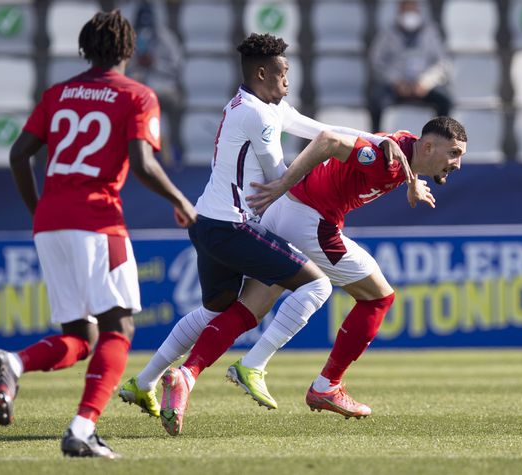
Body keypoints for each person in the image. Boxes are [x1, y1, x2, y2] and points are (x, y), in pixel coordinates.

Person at [117, 32, 407, 435]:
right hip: (232, 226)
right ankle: (252, 366)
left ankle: (144, 381)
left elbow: (316, 127)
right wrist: (306, 176)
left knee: (215, 312)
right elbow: (278, 177)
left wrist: (381, 140)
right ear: (261, 72)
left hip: (207, 223)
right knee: (317, 285)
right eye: (282, 71)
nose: (288, 79)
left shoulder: (256, 105)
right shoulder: (257, 114)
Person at [0, 10, 197, 459]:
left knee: (83, 338)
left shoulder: (57, 93)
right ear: (129, 50)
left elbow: (19, 155)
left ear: (83, 49)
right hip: (98, 221)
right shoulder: (137, 95)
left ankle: (14, 363)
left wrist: (38, 209)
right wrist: (180, 199)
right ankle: (82, 429)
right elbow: (142, 163)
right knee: (119, 328)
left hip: (51, 223)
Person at [233, 116, 466, 418]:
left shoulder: (405, 144)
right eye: (454, 153)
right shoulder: (387, 161)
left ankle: (185, 372)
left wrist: (412, 185)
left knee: (250, 307)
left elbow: (399, 148)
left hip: (288, 210)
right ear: (430, 146)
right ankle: (326, 386)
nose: (457, 163)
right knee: (378, 297)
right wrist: (282, 182)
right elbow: (329, 141)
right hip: (312, 220)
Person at [369, 0, 453, 131]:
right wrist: (396, 81)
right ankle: (377, 141)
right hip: (395, 87)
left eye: (412, 10)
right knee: (376, 101)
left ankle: (440, 137)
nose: (409, 14)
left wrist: (425, 82)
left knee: (445, 101)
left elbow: (442, 63)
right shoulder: (387, 33)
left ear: (418, 11)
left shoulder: (431, 32)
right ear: (399, 11)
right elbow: (376, 62)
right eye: (405, 10)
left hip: (423, 86)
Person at [120, 0, 185, 168]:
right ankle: (133, 156)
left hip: (163, 86)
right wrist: (138, 66)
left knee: (156, 103)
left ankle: (167, 154)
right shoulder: (129, 38)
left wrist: (154, 63)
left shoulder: (166, 38)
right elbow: (123, 69)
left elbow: (176, 67)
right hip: (139, 87)